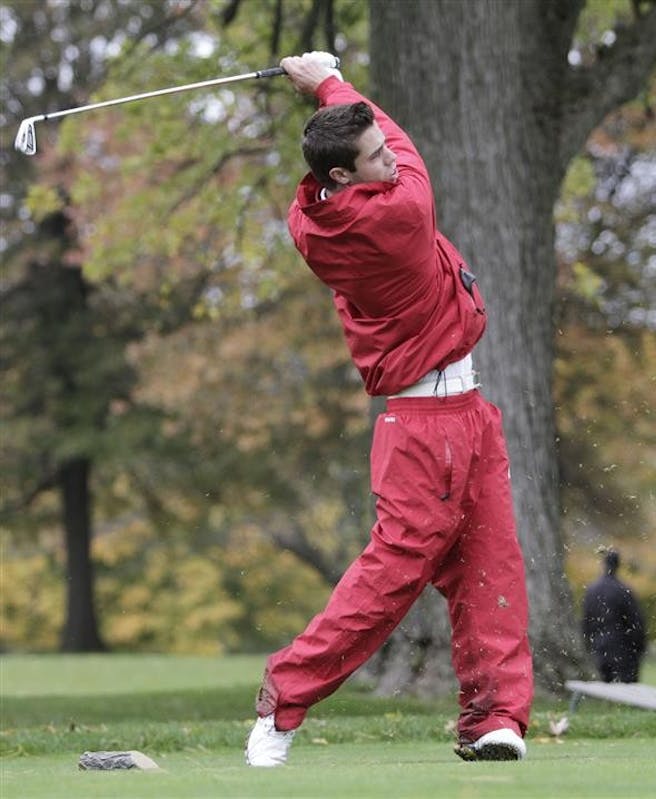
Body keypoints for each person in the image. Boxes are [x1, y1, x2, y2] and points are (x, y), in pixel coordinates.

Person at [245, 51, 533, 766]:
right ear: (343, 177)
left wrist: (329, 102)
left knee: (490, 566)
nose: (389, 160)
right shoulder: (400, 212)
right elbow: (407, 149)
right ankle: (283, 701)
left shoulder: (312, 215)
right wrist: (327, 81)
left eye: (381, 152)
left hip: (465, 412)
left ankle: (494, 717)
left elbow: (371, 146)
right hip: (424, 430)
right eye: (373, 158)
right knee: (389, 580)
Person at [581, 550, 646, 683]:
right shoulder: (623, 590)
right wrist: (639, 646)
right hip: (622, 647)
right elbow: (635, 622)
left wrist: (588, 642)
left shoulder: (591, 591)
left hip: (598, 646)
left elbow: (586, 621)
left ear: (603, 564)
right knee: (627, 685)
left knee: (603, 682)